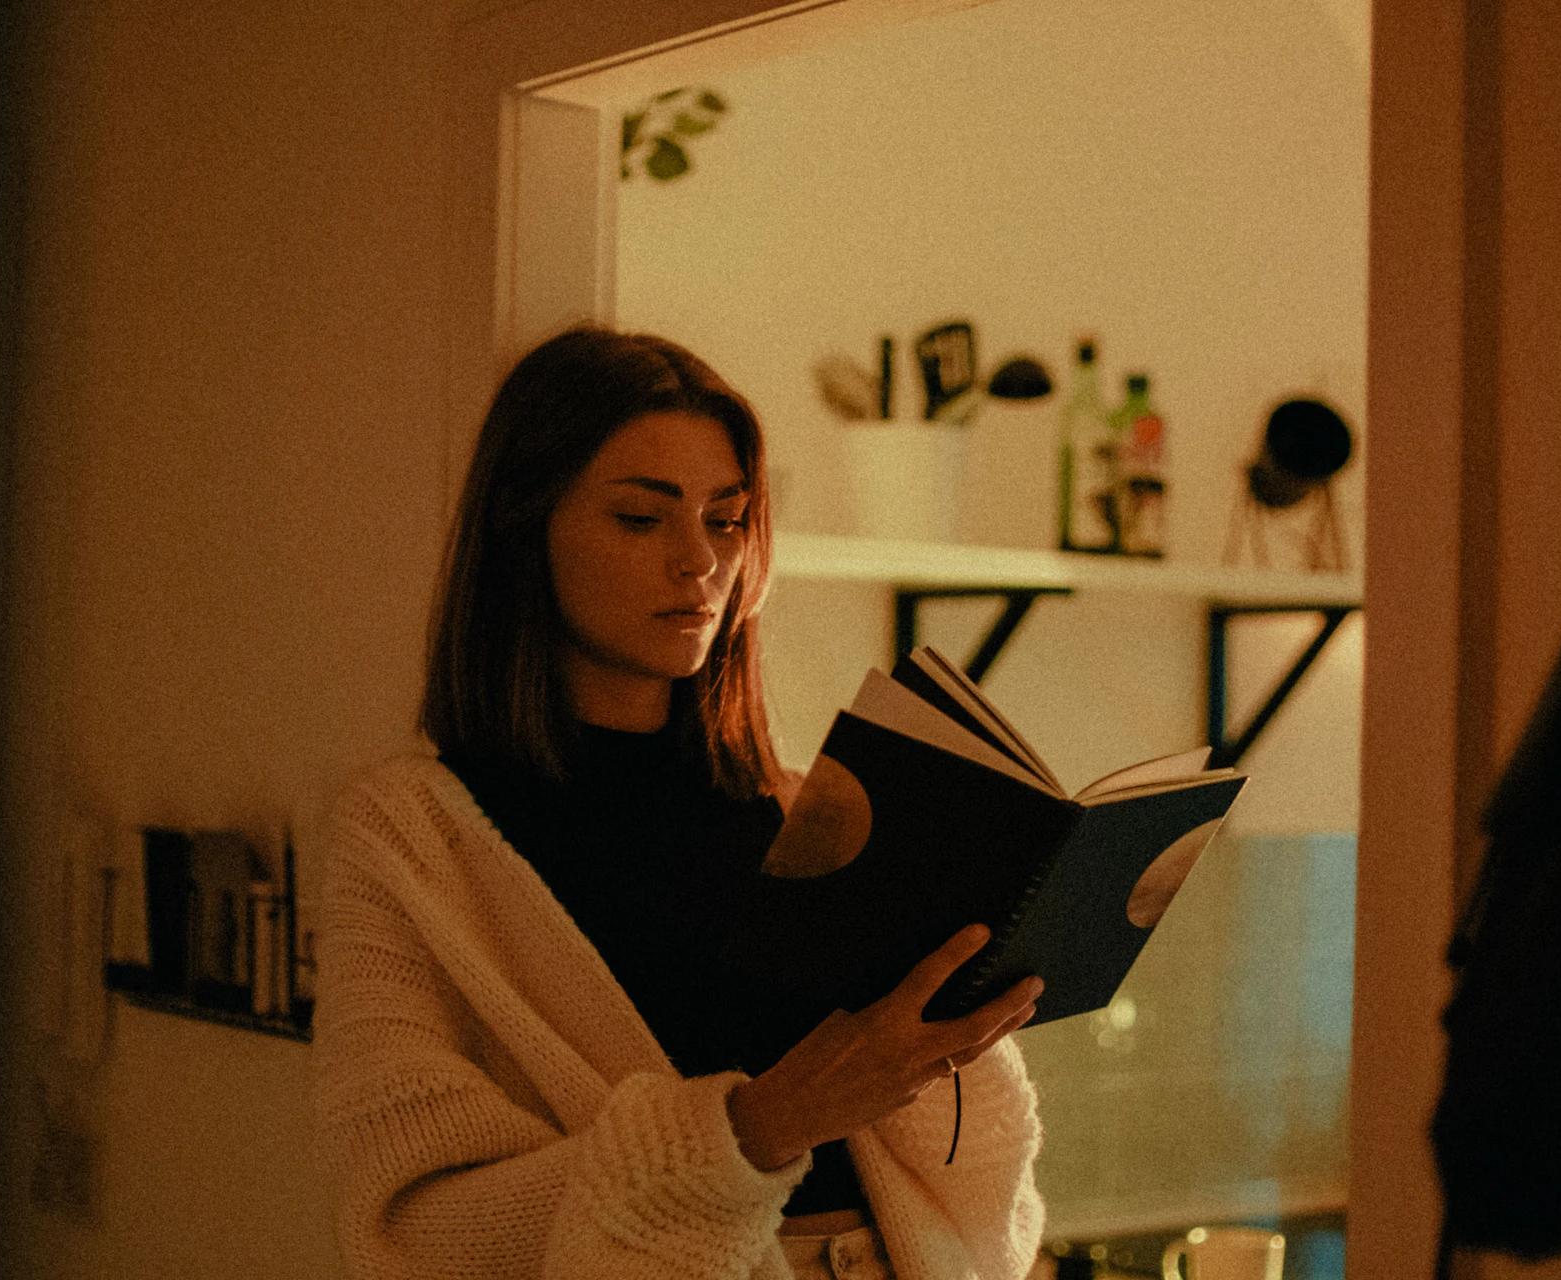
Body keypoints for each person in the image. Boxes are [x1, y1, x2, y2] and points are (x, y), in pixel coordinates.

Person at [313, 328, 1047, 1280]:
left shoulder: (801, 810)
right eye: (640, 519)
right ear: (522, 525)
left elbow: (966, 1163)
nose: (698, 561)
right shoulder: (408, 841)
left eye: (728, 518)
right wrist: (764, 1125)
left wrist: (959, 1021)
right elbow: (410, 1224)